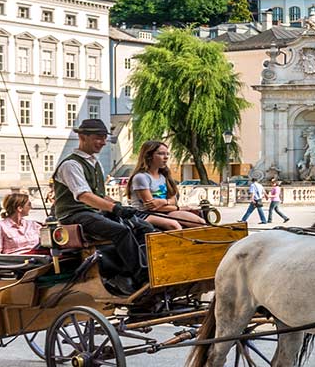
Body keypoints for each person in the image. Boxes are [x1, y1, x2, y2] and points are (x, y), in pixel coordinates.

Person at [52, 118, 151, 295]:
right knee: (120, 231)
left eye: (104, 138)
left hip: (92, 211)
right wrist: (113, 209)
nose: (103, 142)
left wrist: (117, 205)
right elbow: (84, 196)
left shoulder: (94, 163)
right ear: (82, 137)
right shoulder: (71, 165)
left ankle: (140, 268)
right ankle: (141, 276)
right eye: (99, 137)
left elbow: (98, 194)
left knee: (143, 226)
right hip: (75, 215)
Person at [128, 139, 206, 230]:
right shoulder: (141, 177)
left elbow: (173, 199)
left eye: (167, 154)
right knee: (174, 225)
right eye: (161, 154)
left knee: (200, 222)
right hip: (144, 214)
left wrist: (163, 201)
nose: (166, 157)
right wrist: (179, 208)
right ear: (149, 156)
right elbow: (152, 207)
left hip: (165, 211)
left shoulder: (163, 176)